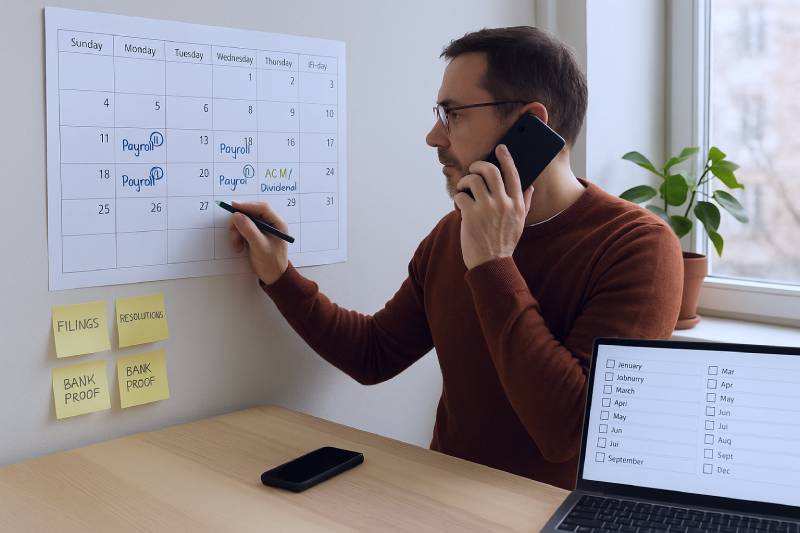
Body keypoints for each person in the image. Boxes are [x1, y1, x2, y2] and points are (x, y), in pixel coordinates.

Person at [227, 26, 683, 490]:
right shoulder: (456, 232)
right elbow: (373, 354)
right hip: (442, 502)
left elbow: (565, 432)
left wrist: (493, 263)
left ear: (532, 123)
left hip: (551, 516)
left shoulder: (638, 247)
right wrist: (280, 274)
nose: (432, 136)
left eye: (453, 115)